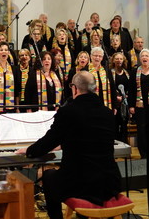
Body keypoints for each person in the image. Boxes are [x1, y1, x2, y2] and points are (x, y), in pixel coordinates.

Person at [16, 71, 121, 219]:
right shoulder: (107, 113)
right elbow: (90, 137)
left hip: (79, 184)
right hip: (109, 183)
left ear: (75, 88)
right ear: (95, 89)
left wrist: (29, 150)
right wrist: (65, 143)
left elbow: (48, 142)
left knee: (49, 176)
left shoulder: (68, 111)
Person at [88, 47, 117, 112]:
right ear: (91, 56)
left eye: (100, 56)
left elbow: (112, 88)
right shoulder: (85, 70)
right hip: (90, 105)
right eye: (95, 55)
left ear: (102, 58)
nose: (97, 58)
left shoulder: (106, 70)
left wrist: (114, 106)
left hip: (105, 103)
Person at [110, 52, 130, 142]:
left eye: (121, 59)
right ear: (113, 61)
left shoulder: (127, 73)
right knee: (114, 124)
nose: (119, 61)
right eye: (117, 59)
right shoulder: (110, 73)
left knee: (124, 124)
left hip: (125, 103)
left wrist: (126, 95)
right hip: (115, 102)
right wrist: (116, 97)